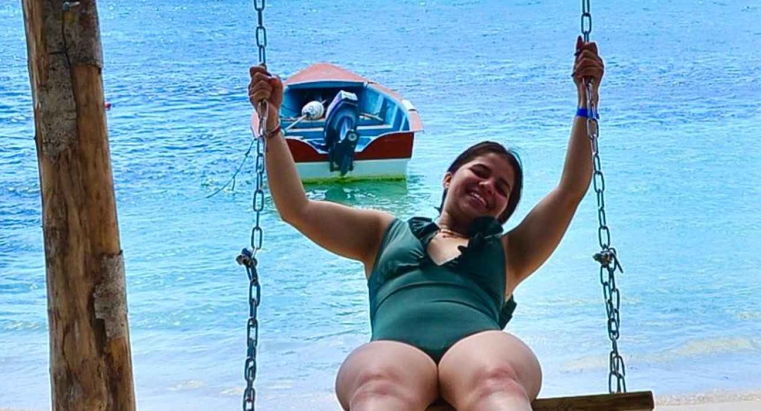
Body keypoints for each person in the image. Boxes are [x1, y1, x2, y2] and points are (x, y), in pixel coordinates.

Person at [246, 37, 606, 411]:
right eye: (479, 172)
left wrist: (587, 100)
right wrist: (272, 122)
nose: (488, 186)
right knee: (377, 388)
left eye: (502, 188)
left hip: (478, 349)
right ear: (448, 178)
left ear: (503, 211)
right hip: (396, 352)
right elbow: (297, 209)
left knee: (496, 380)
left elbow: (570, 191)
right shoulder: (383, 233)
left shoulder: (511, 252)